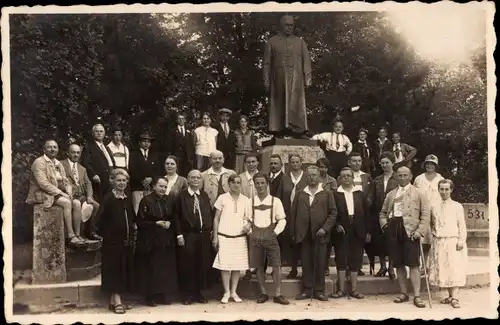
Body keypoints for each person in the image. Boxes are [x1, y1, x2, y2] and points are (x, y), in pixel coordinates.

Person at [379, 166, 430, 308]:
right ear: (396, 177)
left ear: (410, 176)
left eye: (405, 175)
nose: (402, 178)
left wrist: (420, 231)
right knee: (399, 263)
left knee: (413, 264)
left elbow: (425, 215)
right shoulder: (391, 194)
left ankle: (417, 296)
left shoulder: (419, 193)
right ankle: (404, 293)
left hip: (411, 231)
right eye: (399, 175)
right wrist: (385, 226)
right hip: (394, 229)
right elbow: (383, 213)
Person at [290, 166, 337, 301]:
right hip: (303, 233)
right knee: (306, 262)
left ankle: (319, 290)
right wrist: (293, 232)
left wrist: (325, 228)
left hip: (320, 233)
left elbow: (333, 213)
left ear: (319, 176)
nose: (312, 177)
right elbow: (293, 214)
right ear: (306, 177)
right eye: (309, 175)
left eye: (314, 175)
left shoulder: (327, 193)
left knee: (320, 262)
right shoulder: (300, 193)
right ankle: (307, 289)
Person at [26, 140, 85, 246]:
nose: (52, 149)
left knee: (76, 203)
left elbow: (65, 181)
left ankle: (77, 235)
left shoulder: (57, 163)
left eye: (55, 147)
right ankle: (70, 236)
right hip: (41, 194)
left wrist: (69, 191)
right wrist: (62, 194)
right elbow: (43, 184)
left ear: (57, 150)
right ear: (44, 150)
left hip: (54, 194)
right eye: (49, 147)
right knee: (67, 202)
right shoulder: (39, 162)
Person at [244, 172, 290, 305]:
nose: (260, 186)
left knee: (276, 265)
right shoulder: (250, 202)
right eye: (257, 183)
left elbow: (282, 220)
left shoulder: (275, 201)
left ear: (267, 184)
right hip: (255, 237)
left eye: (262, 183)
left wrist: (275, 232)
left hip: (271, 236)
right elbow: (246, 219)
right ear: (254, 185)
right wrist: (250, 232)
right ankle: (263, 292)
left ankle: (278, 293)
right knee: (258, 266)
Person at [263, 15, 312, 139]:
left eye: (291, 25)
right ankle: (278, 130)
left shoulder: (299, 42)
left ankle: (298, 131)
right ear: (281, 25)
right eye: (287, 25)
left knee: (296, 103)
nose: (289, 27)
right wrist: (266, 81)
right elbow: (266, 63)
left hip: (296, 78)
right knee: (279, 102)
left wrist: (308, 78)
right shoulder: (272, 41)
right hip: (278, 78)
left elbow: (306, 61)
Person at [95, 168, 136, 314]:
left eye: (124, 180)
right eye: (119, 180)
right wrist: (109, 235)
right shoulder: (108, 198)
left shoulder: (126, 198)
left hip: (126, 241)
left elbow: (131, 218)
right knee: (114, 271)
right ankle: (117, 301)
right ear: (112, 181)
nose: (122, 183)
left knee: (122, 270)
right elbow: (99, 221)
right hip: (112, 242)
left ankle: (114, 301)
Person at [135, 177, 178, 307]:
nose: (163, 189)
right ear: (154, 186)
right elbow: (140, 221)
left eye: (165, 187)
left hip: (165, 239)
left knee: (165, 268)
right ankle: (150, 296)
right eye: (160, 186)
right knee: (152, 268)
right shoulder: (146, 200)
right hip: (151, 239)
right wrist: (156, 223)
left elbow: (173, 216)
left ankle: (163, 294)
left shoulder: (170, 199)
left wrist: (170, 222)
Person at [174, 170, 214, 305]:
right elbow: (177, 217)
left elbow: (209, 213)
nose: (196, 180)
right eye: (193, 177)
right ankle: (188, 294)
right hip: (188, 234)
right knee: (188, 264)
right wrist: (179, 234)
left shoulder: (203, 195)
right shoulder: (182, 196)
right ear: (188, 180)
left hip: (203, 235)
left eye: (198, 177)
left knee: (201, 263)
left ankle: (198, 292)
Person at [330, 167, 371, 300]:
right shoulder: (335, 194)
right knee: (341, 258)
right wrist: (336, 225)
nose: (346, 178)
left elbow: (367, 214)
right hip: (341, 230)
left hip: (358, 229)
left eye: (348, 176)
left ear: (353, 178)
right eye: (343, 176)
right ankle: (341, 289)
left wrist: (367, 231)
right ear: (340, 179)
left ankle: (353, 289)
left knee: (356, 259)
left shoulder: (360, 194)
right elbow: (331, 212)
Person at [427, 179, 468, 309]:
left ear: (451, 190)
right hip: (439, 241)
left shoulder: (457, 206)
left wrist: (461, 240)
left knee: (453, 268)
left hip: (453, 241)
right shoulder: (434, 206)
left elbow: (461, 225)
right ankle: (450, 296)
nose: (444, 192)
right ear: (438, 190)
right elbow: (432, 224)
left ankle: (455, 297)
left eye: (446, 189)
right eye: (441, 189)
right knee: (444, 270)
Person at [212, 174, 251, 304]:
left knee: (237, 266)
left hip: (239, 238)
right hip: (224, 236)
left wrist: (248, 226)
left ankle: (234, 292)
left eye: (238, 182)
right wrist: (215, 237)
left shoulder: (246, 200)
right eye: (233, 182)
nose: (236, 185)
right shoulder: (222, 198)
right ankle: (226, 292)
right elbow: (216, 218)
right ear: (229, 184)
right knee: (225, 266)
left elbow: (249, 218)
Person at [61, 143, 101, 241]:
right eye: (73, 152)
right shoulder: (61, 164)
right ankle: (76, 234)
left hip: (80, 195)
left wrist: (89, 196)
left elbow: (88, 184)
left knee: (95, 205)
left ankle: (90, 232)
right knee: (77, 204)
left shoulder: (82, 168)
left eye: (78, 153)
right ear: (68, 153)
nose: (76, 155)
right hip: (68, 195)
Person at [369, 151, 398, 279]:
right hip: (379, 214)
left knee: (392, 241)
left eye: (387, 162)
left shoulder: (398, 178)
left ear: (393, 163)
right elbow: (371, 197)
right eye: (383, 163)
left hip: (394, 214)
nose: (385, 165)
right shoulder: (377, 180)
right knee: (380, 241)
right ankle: (382, 266)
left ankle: (391, 267)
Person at [413, 154, 444, 274]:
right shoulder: (419, 179)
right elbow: (414, 196)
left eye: (432, 164)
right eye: (428, 163)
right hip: (422, 212)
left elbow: (444, 196)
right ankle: (423, 266)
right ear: (424, 165)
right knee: (423, 241)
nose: (430, 166)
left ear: (436, 166)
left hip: (437, 212)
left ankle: (434, 266)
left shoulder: (440, 179)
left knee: (435, 240)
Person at [343, 152, 373, 276]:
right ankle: (348, 266)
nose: (357, 163)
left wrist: (365, 205)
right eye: (354, 161)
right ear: (349, 162)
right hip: (348, 212)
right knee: (348, 243)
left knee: (359, 242)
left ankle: (358, 266)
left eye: (359, 161)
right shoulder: (344, 175)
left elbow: (370, 193)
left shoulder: (366, 177)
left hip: (361, 212)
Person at [268, 154, 293, 273]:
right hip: (265, 213)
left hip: (278, 214)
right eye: (271, 163)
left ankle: (276, 267)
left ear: (281, 165)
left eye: (276, 163)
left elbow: (286, 199)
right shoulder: (267, 177)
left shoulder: (285, 178)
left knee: (277, 241)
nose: (273, 166)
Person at [285, 154, 308, 279]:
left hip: (302, 213)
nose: (295, 164)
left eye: (297, 162)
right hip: (289, 214)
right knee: (292, 241)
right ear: (289, 164)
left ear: (301, 163)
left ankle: (305, 269)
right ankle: (293, 268)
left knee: (303, 242)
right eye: (292, 162)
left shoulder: (306, 176)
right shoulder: (285, 177)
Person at [239, 152, 260, 281]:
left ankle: (258, 269)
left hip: (260, 213)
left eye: (253, 162)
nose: (251, 164)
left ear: (257, 162)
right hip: (246, 214)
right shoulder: (240, 178)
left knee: (259, 242)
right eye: (248, 162)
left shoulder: (263, 176)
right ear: (245, 163)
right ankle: (247, 269)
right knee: (247, 242)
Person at [82, 122, 116, 201]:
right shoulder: (88, 146)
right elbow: (85, 162)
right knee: (101, 202)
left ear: (104, 133)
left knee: (110, 201)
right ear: (93, 133)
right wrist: (93, 175)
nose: (99, 133)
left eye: (101, 131)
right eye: (97, 131)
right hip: (98, 179)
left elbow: (111, 162)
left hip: (110, 178)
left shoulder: (106, 147)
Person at [129, 131, 161, 214]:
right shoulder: (133, 154)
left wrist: (151, 179)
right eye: (144, 141)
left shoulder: (154, 155)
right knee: (137, 209)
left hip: (150, 188)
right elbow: (132, 170)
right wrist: (143, 180)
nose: (146, 143)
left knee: (150, 209)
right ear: (139, 143)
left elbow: (157, 171)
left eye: (148, 141)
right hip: (138, 187)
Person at [316, 157, 338, 276]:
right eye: (320, 167)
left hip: (328, 212)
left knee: (328, 243)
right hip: (316, 211)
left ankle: (325, 266)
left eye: (324, 167)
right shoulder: (315, 179)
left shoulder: (332, 181)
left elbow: (335, 196)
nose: (322, 169)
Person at [167, 113, 195, 177]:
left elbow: (191, 143)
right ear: (177, 120)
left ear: (185, 120)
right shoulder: (173, 130)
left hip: (187, 155)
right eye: (179, 119)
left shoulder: (189, 130)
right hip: (177, 154)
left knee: (186, 171)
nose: (181, 120)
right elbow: (170, 144)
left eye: (182, 119)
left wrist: (191, 155)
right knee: (177, 171)